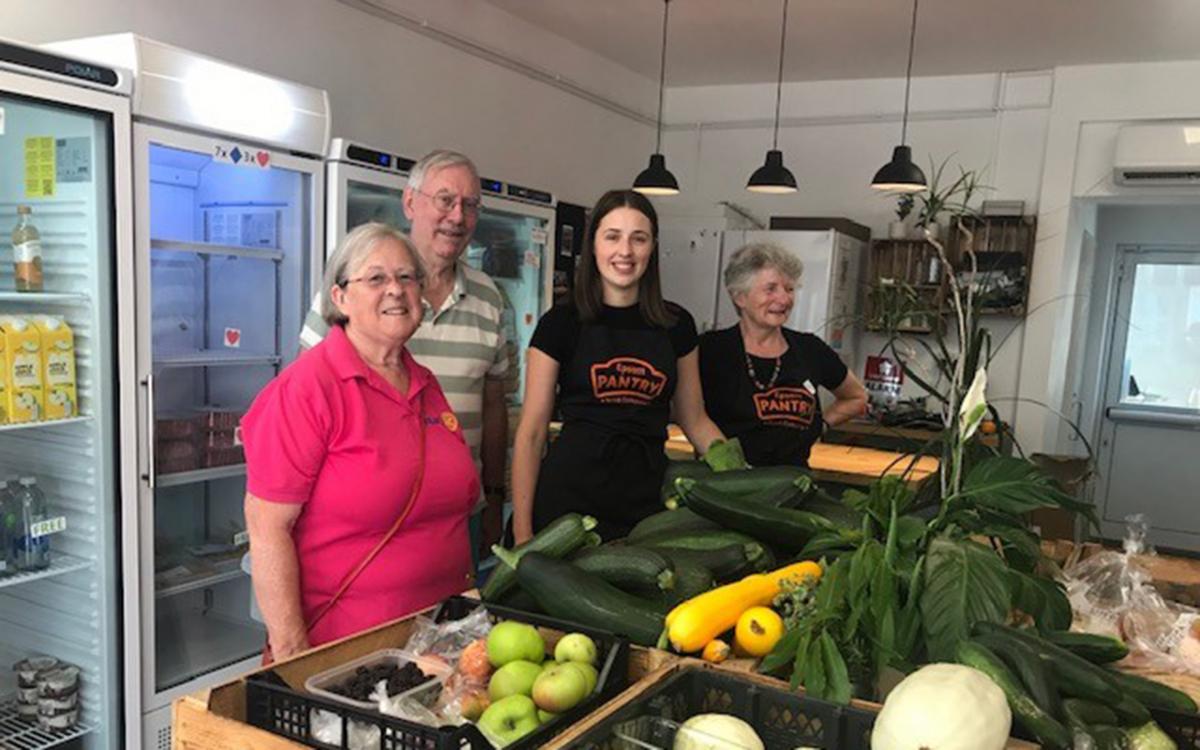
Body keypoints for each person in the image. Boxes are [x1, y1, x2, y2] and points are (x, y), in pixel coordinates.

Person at [243, 223, 479, 660]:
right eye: (375, 278)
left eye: (407, 277)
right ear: (340, 298)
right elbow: (267, 529)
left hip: (441, 646)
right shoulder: (307, 390)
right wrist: (295, 658)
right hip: (347, 656)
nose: (396, 290)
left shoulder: (426, 383)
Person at [298, 150, 508, 565]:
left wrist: (495, 496)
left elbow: (494, 404)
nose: (457, 217)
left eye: (470, 205)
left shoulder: (489, 298)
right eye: (445, 200)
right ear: (410, 202)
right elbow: (305, 395)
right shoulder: (355, 288)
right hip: (366, 523)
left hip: (458, 514)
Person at [511, 189, 725, 543]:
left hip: (646, 505)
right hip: (567, 504)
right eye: (612, 237)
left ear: (652, 247)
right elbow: (531, 433)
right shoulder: (560, 322)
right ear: (593, 244)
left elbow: (695, 420)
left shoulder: (677, 324)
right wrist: (522, 532)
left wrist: (738, 471)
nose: (625, 251)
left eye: (638, 239)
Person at [699, 242, 868, 468]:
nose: (784, 299)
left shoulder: (810, 349)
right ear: (739, 297)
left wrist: (820, 425)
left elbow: (856, 397)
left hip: (794, 483)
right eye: (771, 289)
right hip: (725, 482)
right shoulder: (711, 349)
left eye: (789, 289)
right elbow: (685, 413)